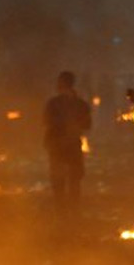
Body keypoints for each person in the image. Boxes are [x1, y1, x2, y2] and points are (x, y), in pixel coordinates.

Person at [43, 71, 91, 216]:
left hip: (57, 146)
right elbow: (87, 124)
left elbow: (47, 122)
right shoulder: (81, 104)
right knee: (74, 181)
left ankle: (62, 213)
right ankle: (73, 212)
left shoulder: (53, 104)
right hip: (72, 146)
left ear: (61, 84)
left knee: (59, 181)